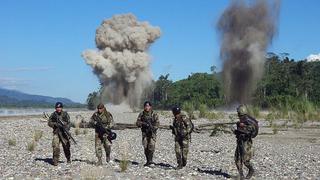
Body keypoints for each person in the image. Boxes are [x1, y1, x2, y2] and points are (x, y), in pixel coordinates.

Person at [233, 104, 257, 179]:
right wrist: (236, 131)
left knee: (245, 160)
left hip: (246, 143)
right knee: (237, 159)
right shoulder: (242, 120)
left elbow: (249, 131)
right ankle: (241, 176)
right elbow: (240, 131)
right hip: (240, 142)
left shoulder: (247, 120)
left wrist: (242, 126)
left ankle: (251, 170)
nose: (237, 113)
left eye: (238, 112)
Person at [136, 101, 159, 166]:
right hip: (145, 133)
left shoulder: (154, 114)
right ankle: (148, 160)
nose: (147, 107)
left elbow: (157, 123)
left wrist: (153, 128)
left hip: (152, 133)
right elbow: (137, 123)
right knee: (145, 146)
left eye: (148, 106)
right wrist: (143, 124)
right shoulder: (141, 114)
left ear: (150, 107)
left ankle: (151, 160)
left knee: (151, 146)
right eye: (146, 106)